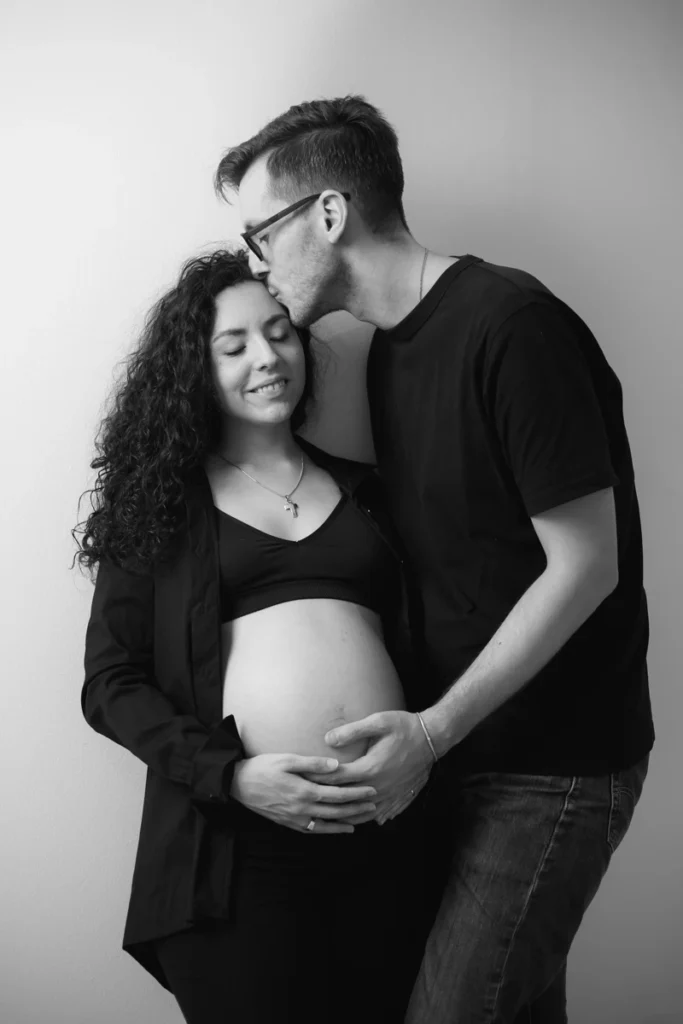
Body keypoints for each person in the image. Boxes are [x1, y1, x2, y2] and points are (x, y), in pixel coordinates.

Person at [214, 95, 655, 1023]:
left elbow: (586, 566)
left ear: (328, 214)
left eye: (260, 234)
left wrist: (430, 732)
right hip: (464, 765)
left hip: (553, 765)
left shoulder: (511, 325)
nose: (255, 261)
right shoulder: (385, 355)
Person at [75, 249, 431, 1024]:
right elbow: (110, 684)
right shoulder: (161, 507)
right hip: (237, 847)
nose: (267, 357)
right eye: (233, 346)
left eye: (280, 334)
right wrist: (233, 776)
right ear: (193, 371)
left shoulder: (369, 490)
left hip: (386, 837)